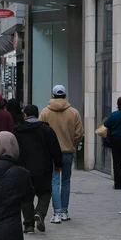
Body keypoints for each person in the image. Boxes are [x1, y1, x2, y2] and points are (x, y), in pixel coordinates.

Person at [13, 104, 63, 234]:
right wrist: (58, 164)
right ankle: (40, 212)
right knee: (45, 193)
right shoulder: (46, 129)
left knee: (26, 197)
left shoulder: (17, 130)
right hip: (43, 168)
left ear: (25, 115)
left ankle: (28, 225)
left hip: (23, 168)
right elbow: (55, 148)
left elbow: (13, 150)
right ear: (37, 114)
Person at [39, 85, 84, 224]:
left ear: (52, 95)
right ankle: (64, 211)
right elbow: (79, 134)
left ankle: (56, 213)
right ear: (65, 95)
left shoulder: (45, 112)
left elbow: (40, 132)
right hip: (67, 152)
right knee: (66, 181)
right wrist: (72, 144)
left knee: (54, 181)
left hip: (51, 154)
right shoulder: (74, 112)